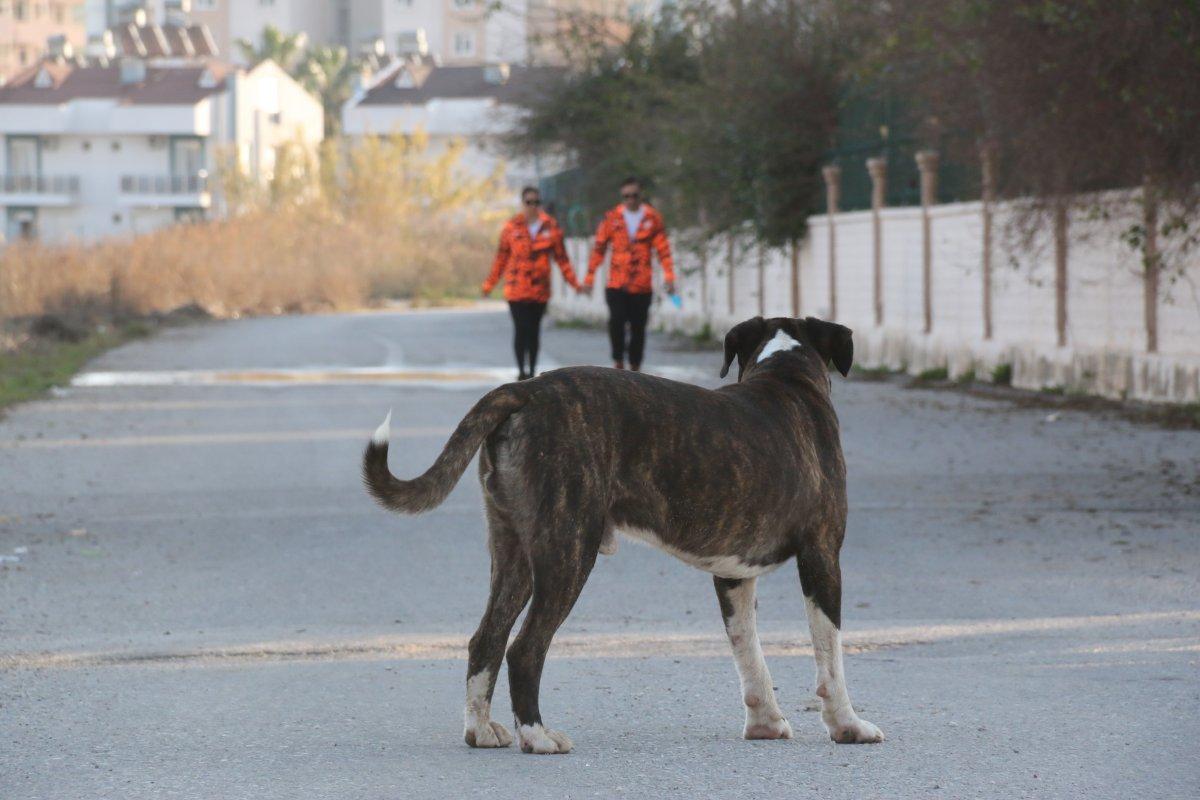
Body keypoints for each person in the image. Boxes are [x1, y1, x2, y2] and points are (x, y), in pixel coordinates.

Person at [483, 186, 581, 380]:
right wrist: (489, 284)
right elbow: (501, 258)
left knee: (534, 332)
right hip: (516, 290)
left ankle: (532, 372)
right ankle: (521, 372)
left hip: (539, 291)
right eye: (529, 202)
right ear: (523, 203)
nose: (533, 206)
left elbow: (562, 259)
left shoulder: (551, 227)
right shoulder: (511, 227)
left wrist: (574, 284)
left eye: (536, 202)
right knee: (521, 330)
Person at [584, 177, 675, 371]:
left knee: (638, 328)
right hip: (617, 283)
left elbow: (663, 250)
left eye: (634, 195)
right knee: (616, 322)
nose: (630, 200)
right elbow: (599, 248)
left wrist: (669, 276)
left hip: (642, 284)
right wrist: (589, 278)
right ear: (622, 197)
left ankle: (635, 366)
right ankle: (618, 360)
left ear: (641, 195)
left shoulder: (653, 218)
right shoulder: (612, 218)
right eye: (626, 196)